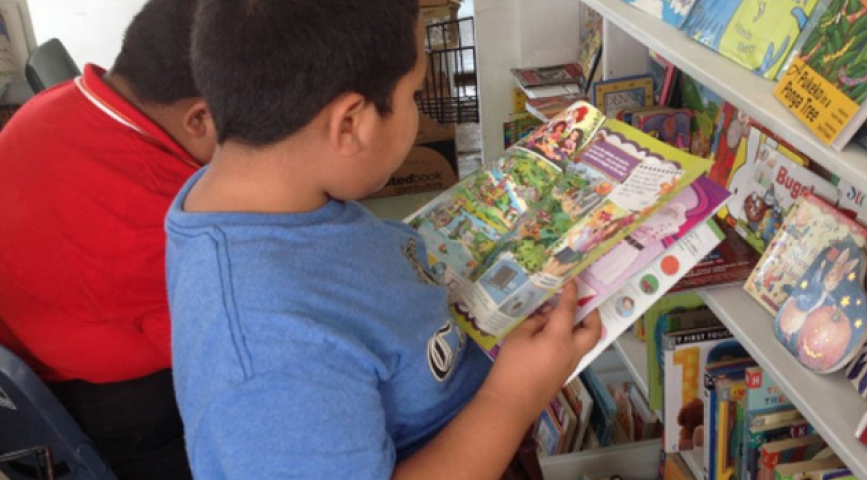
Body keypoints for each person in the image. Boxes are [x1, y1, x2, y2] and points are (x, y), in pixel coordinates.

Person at [164, 0, 603, 478]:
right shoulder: (263, 357)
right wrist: (511, 398)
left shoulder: (272, 195)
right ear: (350, 124)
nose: (416, 110)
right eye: (415, 93)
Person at [0, 1, 213, 479]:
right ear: (200, 119)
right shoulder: (160, 218)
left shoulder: (58, 103)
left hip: (31, 353)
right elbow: (227, 357)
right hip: (100, 412)